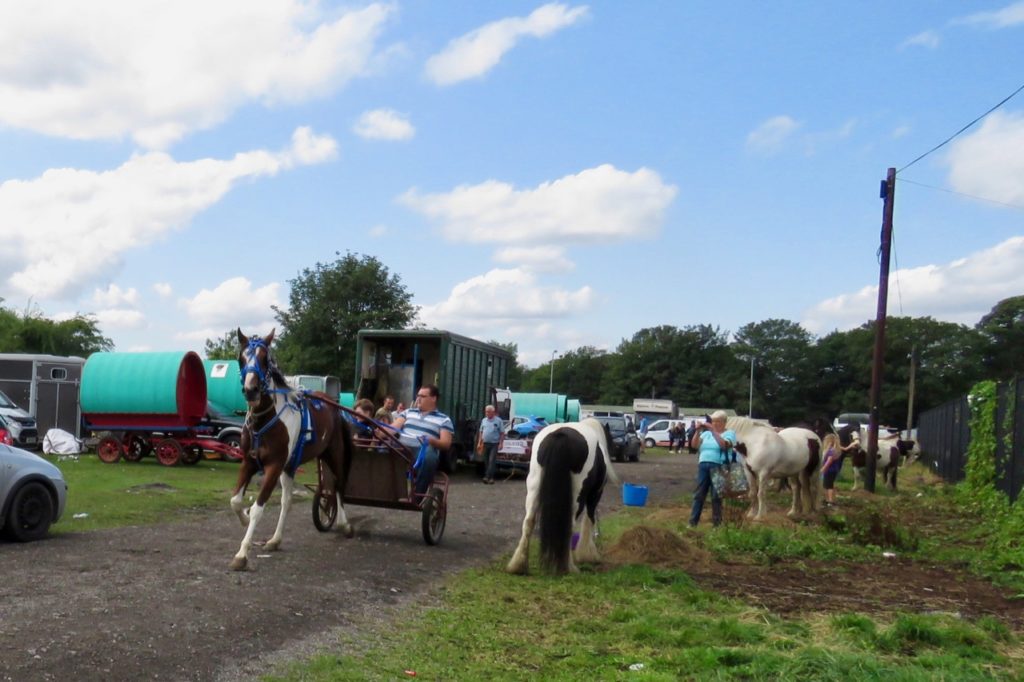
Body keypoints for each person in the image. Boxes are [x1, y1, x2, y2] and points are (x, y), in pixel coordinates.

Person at [392, 385, 453, 498]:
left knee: (429, 457)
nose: (418, 399)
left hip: (422, 449)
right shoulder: (408, 412)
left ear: (433, 398)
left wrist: (430, 440)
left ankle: (417, 495)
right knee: (382, 447)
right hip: (402, 446)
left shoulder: (444, 419)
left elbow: (446, 443)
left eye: (422, 396)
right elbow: (392, 429)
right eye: (418, 396)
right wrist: (378, 431)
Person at [688, 410, 737, 528]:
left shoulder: (729, 433)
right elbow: (694, 445)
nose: (715, 424)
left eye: (717, 422)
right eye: (713, 421)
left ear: (724, 422)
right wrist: (698, 431)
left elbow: (724, 445)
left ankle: (717, 524)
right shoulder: (706, 434)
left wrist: (713, 431)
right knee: (699, 495)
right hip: (703, 465)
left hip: (719, 466)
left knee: (716, 496)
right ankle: (693, 522)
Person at [476, 404, 504, 484]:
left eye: (488, 412)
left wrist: (501, 443)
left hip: (494, 444)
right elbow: (481, 431)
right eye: (486, 412)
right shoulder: (484, 420)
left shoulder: (498, 421)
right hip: (485, 443)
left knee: (492, 460)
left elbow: (502, 433)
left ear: (493, 412)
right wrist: (479, 442)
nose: (486, 413)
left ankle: (488, 477)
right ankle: (489, 477)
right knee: (486, 461)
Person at [820, 433, 844, 507]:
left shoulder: (831, 451)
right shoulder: (835, 450)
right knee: (827, 485)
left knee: (828, 485)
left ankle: (830, 501)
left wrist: (823, 469)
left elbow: (829, 461)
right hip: (832, 470)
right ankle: (827, 500)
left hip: (829, 470)